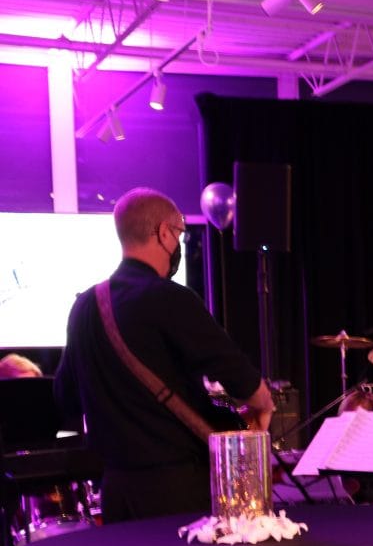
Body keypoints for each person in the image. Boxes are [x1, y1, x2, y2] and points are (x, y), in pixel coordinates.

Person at [54, 187, 273, 523]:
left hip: (115, 491)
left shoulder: (84, 306)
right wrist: (264, 404)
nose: (179, 243)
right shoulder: (171, 298)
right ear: (164, 233)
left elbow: (66, 397)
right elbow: (240, 377)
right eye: (180, 233)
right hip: (176, 490)